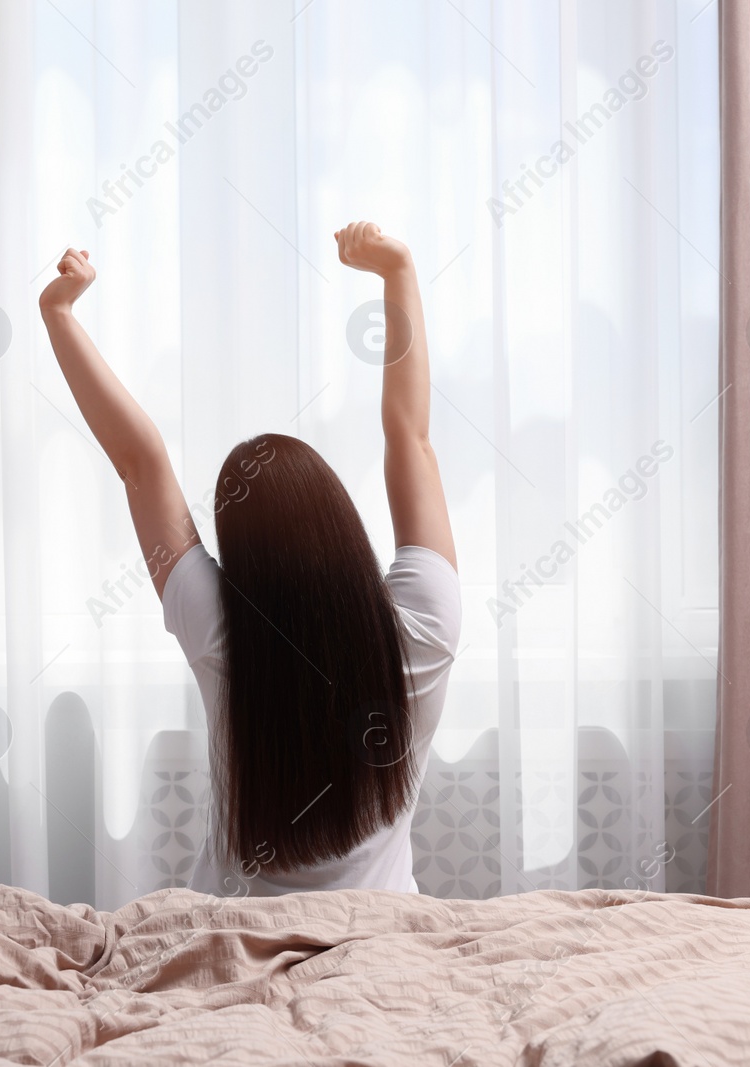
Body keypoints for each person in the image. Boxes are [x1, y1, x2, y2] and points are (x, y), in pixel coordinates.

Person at [38, 221, 461, 895]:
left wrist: (58, 312)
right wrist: (398, 270)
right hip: (384, 941)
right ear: (343, 526)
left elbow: (139, 464)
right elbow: (410, 439)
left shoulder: (221, 635)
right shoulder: (424, 628)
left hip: (234, 946)